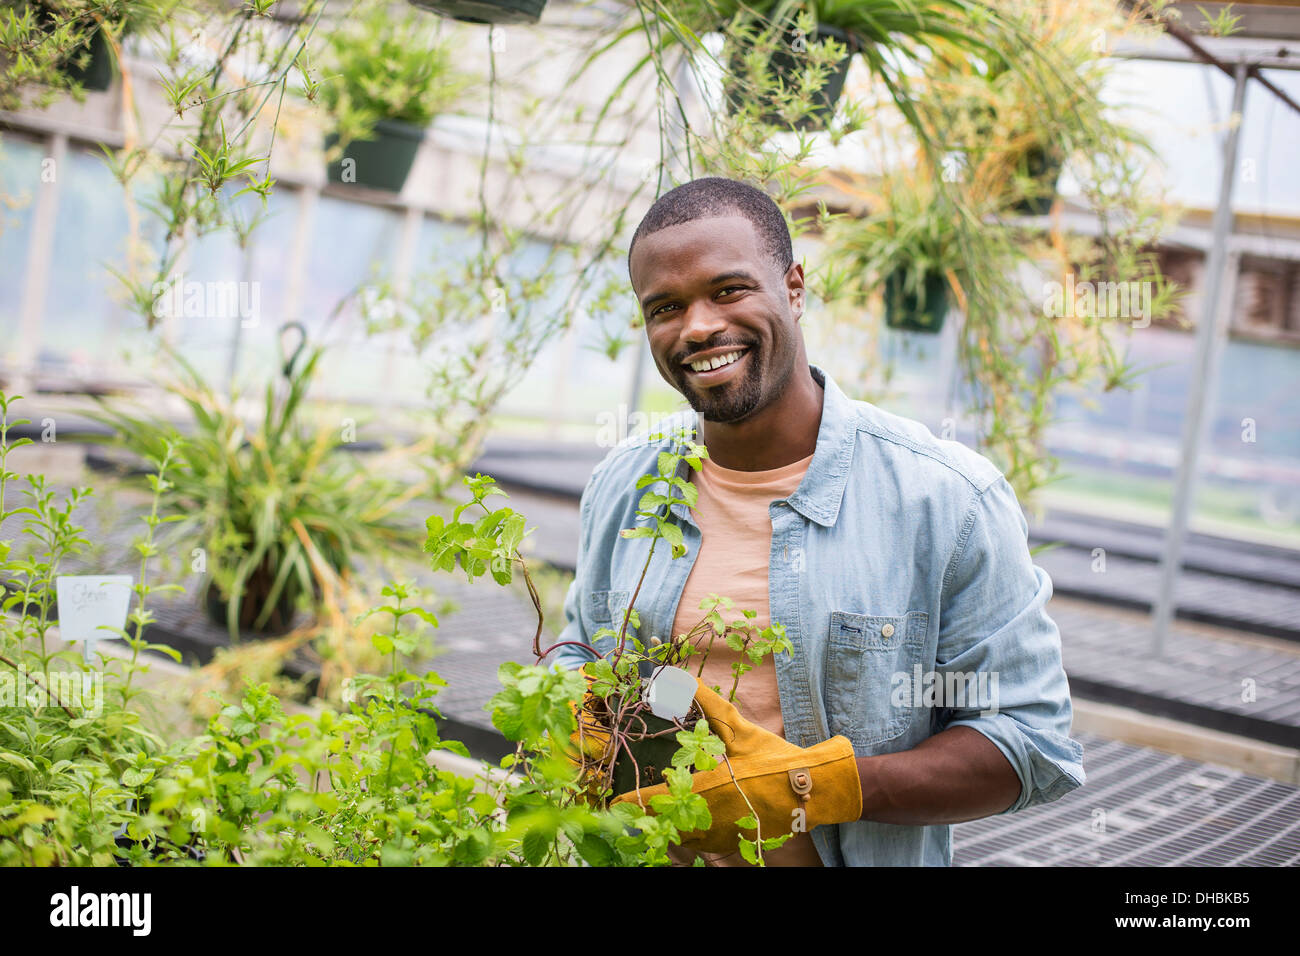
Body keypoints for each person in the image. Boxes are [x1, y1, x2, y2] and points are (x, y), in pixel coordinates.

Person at [551, 176, 1085, 866]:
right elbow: (585, 655)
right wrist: (575, 714)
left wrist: (814, 788)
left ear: (794, 288)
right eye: (666, 307)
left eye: (729, 289)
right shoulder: (627, 483)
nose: (699, 326)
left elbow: (1028, 740)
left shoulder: (945, 499)